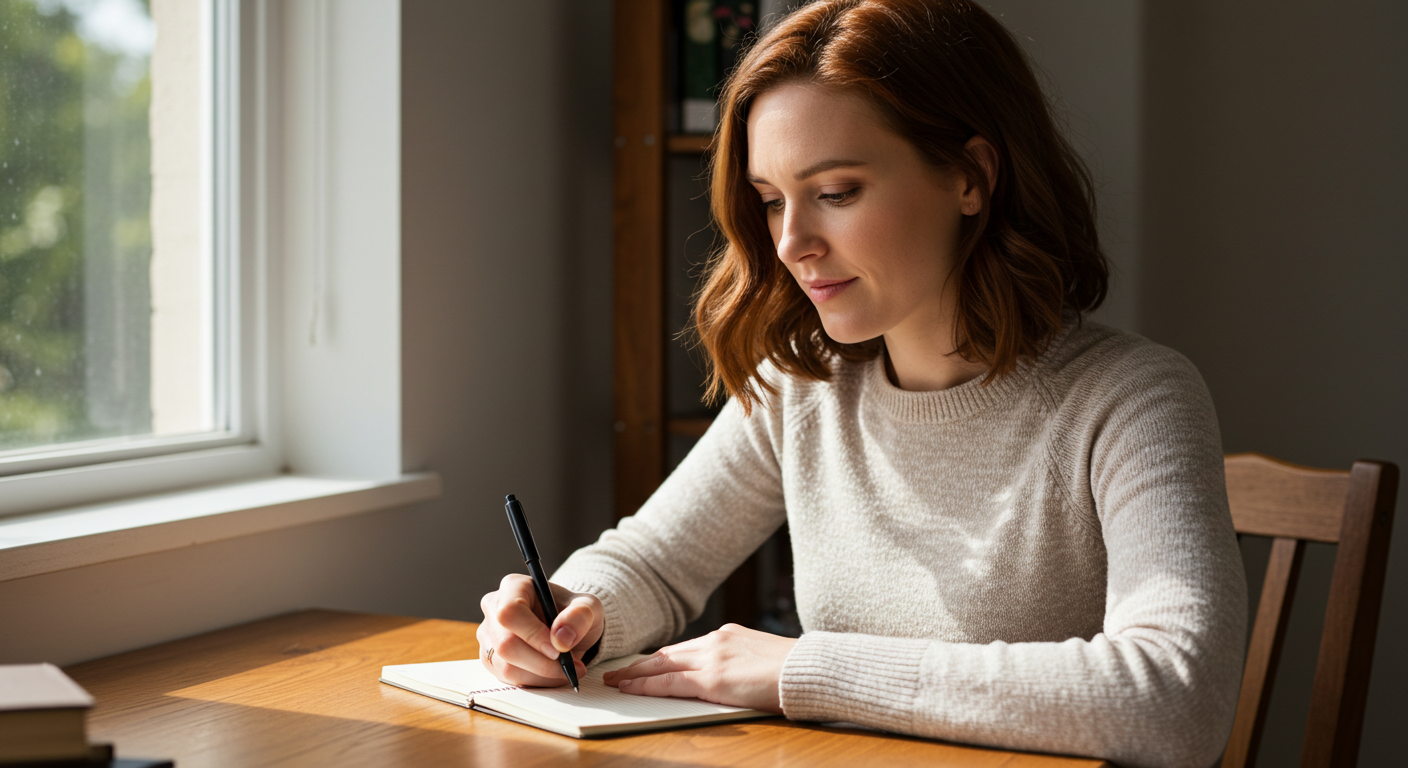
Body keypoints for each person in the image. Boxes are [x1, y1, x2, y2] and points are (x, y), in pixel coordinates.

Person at [476, 1, 1246, 766]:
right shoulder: (805, 383)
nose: (790, 244)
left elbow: (1176, 699)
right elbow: (653, 561)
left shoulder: (1132, 398)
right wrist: (569, 614)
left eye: (837, 192)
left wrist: (802, 669)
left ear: (972, 177)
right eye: (772, 200)